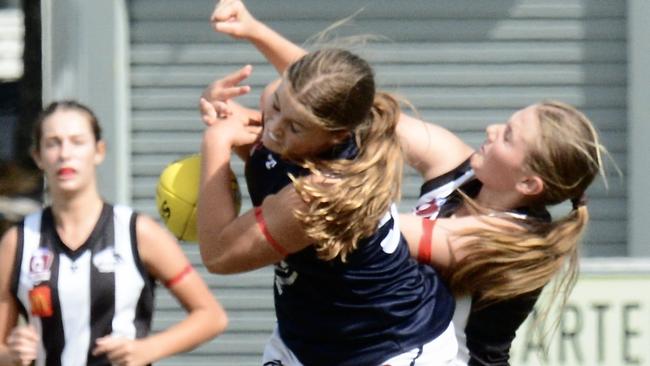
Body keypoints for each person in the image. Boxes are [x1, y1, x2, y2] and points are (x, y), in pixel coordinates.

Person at [206, 1, 608, 365]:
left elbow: (356, 214)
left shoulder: (507, 237)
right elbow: (350, 106)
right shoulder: (460, 167)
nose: (492, 128)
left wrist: (252, 145)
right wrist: (255, 35)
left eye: (508, 136)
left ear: (529, 183)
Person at [197, 47, 457, 365]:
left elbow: (219, 254)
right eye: (276, 106)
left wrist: (215, 143)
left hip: (390, 346)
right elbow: (267, 162)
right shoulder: (291, 120)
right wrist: (224, 112)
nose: (275, 127)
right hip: (308, 340)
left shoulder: (321, 195)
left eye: (295, 127)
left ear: (338, 136)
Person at [0, 101, 228, 366]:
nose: (65, 153)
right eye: (53, 143)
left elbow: (211, 316)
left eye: (77, 141)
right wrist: (10, 356)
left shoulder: (137, 232)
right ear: (38, 156)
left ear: (99, 150)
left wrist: (149, 349)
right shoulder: (18, 241)